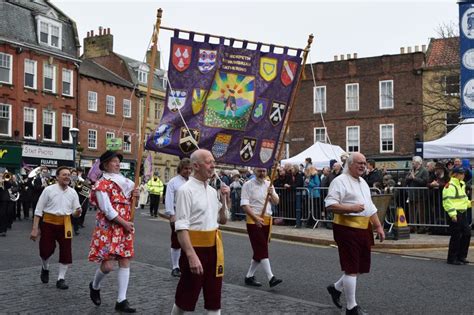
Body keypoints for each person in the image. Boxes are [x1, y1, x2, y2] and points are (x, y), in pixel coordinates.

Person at [325, 153, 385, 315]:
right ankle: (351, 307)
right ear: (350, 164)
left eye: (364, 163)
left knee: (359, 267)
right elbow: (330, 205)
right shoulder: (339, 181)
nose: (363, 166)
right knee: (351, 267)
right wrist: (351, 208)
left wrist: (378, 226)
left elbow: (370, 207)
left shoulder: (364, 182)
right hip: (346, 228)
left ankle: (336, 288)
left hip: (364, 228)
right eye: (359, 163)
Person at [171, 149, 230, 314]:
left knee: (214, 298)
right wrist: (191, 256)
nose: (213, 166)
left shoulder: (212, 191)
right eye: (209, 162)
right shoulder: (185, 190)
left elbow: (223, 220)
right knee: (185, 298)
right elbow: (181, 227)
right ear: (196, 166)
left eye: (213, 162)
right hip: (195, 247)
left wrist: (225, 199)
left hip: (214, 249)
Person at [88, 151, 139, 313]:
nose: (117, 164)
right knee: (108, 266)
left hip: (123, 227)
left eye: (118, 161)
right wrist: (124, 223)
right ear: (104, 165)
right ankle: (95, 285)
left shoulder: (126, 183)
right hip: (108, 228)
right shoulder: (101, 185)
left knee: (124, 260)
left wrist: (134, 197)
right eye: (113, 161)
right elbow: (107, 210)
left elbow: (132, 207)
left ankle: (121, 300)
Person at [29, 166, 82, 290]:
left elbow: (75, 211)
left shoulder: (73, 192)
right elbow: (38, 210)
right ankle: (45, 268)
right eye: (64, 174)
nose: (67, 176)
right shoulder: (48, 190)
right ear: (57, 177)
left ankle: (61, 279)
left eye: (68, 174)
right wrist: (35, 228)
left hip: (66, 223)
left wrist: (77, 213)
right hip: (48, 222)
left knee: (66, 251)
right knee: (45, 251)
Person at [241, 167, 282, 288]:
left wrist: (271, 195)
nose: (262, 173)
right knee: (262, 248)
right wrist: (255, 218)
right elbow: (244, 205)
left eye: (264, 171)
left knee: (259, 250)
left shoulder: (269, 184)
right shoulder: (248, 185)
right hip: (253, 221)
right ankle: (271, 277)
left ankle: (249, 276)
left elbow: (276, 201)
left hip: (267, 220)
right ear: (254, 171)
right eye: (259, 171)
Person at [164, 158, 192, 277]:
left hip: (191, 215)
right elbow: (169, 199)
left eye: (190, 168)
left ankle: (187, 264)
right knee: (177, 241)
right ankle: (175, 267)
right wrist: (171, 214)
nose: (188, 171)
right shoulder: (173, 182)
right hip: (178, 213)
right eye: (186, 168)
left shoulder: (193, 181)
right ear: (180, 168)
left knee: (190, 241)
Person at [443, 167, 472, 265]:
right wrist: (452, 214)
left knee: (467, 233)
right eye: (461, 173)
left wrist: (470, 203)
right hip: (455, 214)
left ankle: (461, 256)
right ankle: (452, 258)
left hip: (462, 213)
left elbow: (462, 200)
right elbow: (447, 202)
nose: (463, 175)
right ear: (455, 174)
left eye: (463, 174)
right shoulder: (450, 186)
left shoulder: (461, 185)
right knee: (456, 236)